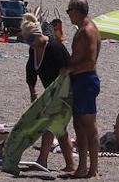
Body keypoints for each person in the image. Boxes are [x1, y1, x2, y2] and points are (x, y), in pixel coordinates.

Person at [20, 19, 76, 171]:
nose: (29, 43)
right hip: (51, 91)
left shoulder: (54, 48)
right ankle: (46, 161)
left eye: (31, 39)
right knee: (55, 126)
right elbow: (30, 70)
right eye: (26, 40)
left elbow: (66, 72)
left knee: (55, 125)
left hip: (66, 89)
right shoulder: (33, 49)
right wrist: (33, 92)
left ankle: (66, 164)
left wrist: (56, 98)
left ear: (38, 35)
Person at [62, 0, 100, 179]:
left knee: (89, 127)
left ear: (76, 10)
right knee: (78, 125)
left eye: (69, 11)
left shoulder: (88, 31)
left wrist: (70, 68)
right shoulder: (81, 30)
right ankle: (82, 168)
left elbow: (90, 61)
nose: (68, 15)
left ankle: (93, 170)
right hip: (79, 80)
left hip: (86, 80)